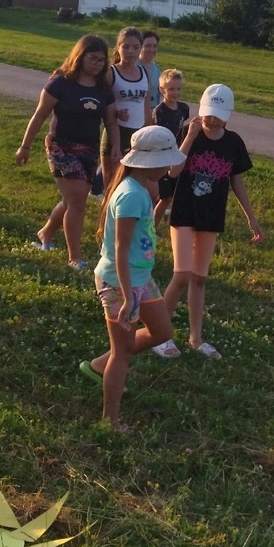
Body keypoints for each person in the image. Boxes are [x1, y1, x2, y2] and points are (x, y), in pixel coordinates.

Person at [80, 126, 183, 433]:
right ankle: (110, 420)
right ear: (148, 163)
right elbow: (120, 250)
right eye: (166, 161)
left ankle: (101, 363)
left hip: (141, 278)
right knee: (123, 353)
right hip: (119, 283)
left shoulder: (141, 188)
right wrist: (127, 297)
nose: (169, 167)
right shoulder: (129, 197)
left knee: (163, 331)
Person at [155, 84, 263, 359]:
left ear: (227, 114)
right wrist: (189, 138)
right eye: (208, 114)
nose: (211, 120)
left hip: (211, 215)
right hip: (184, 212)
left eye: (217, 114)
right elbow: (173, 170)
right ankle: (159, 334)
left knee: (199, 278)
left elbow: (237, 182)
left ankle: (196, 338)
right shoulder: (189, 134)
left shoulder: (233, 143)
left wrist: (251, 217)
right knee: (181, 275)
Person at [16, 35, 120, 271]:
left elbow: (111, 121)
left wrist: (115, 146)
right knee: (77, 202)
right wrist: (25, 146)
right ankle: (75, 257)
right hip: (61, 147)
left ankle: (46, 233)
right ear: (80, 56)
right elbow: (40, 115)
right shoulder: (61, 82)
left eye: (102, 60)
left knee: (73, 199)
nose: (97, 64)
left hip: (89, 149)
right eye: (92, 58)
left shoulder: (103, 88)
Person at [100, 26, 155, 188]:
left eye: (135, 47)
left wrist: (148, 135)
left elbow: (146, 109)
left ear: (140, 49)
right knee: (112, 188)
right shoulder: (111, 73)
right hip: (116, 134)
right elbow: (99, 105)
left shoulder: (146, 74)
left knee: (136, 188)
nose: (130, 51)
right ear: (118, 48)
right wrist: (116, 112)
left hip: (138, 135)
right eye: (126, 47)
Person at [152, 67, 190, 227]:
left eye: (178, 89)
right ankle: (152, 228)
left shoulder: (183, 108)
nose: (175, 92)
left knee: (174, 195)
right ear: (162, 90)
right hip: (161, 158)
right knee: (165, 197)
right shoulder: (159, 111)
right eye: (171, 89)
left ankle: (173, 225)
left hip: (177, 155)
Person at [140, 29, 162, 113]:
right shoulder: (133, 66)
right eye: (148, 46)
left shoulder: (156, 68)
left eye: (154, 46)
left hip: (152, 114)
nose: (152, 49)